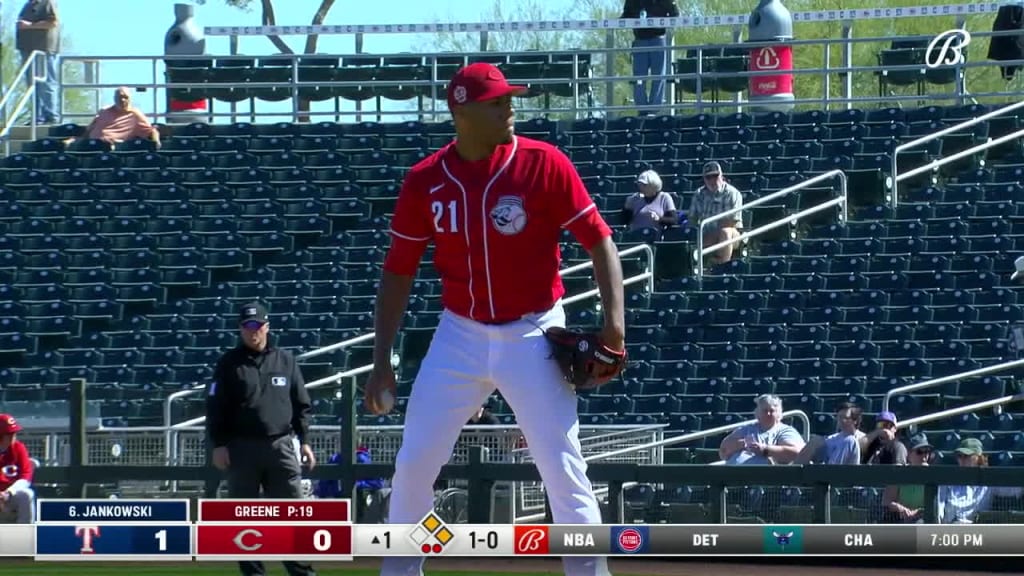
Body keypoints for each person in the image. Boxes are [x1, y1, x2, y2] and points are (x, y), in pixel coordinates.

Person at [364, 62, 625, 576]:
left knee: (562, 466)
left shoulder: (542, 163)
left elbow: (600, 241)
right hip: (459, 332)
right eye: (497, 102)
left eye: (509, 99)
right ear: (460, 111)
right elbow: (398, 272)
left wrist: (613, 326)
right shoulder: (425, 181)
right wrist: (382, 361)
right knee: (415, 462)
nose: (509, 108)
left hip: (532, 330)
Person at [205, 302, 318, 576]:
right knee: (244, 515)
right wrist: (218, 444)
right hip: (241, 448)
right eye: (246, 326)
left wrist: (304, 440)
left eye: (256, 325)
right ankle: (254, 573)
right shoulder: (228, 363)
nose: (251, 331)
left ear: (266, 326)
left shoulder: (285, 360)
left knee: (292, 514)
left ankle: (301, 571)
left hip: (280, 446)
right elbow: (215, 406)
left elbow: (300, 403)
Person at [620, 0, 680, 113]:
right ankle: (642, 110)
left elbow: (675, 14)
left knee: (659, 76)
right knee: (638, 77)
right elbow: (626, 14)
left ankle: (653, 110)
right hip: (639, 40)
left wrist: (662, 22)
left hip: (658, 39)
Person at [719, 394, 805, 465]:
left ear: (779, 413)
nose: (768, 414)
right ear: (757, 412)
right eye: (764, 410)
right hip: (734, 476)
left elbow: (797, 453)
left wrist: (765, 450)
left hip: (766, 478)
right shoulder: (746, 429)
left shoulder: (785, 431)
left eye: (771, 411)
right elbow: (723, 451)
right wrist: (739, 445)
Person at [64, 87, 161, 149]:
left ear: (130, 99)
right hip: (91, 145)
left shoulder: (135, 114)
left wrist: (156, 141)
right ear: (114, 98)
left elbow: (151, 131)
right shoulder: (104, 111)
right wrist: (73, 140)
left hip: (112, 147)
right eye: (119, 97)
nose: (122, 100)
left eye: (125, 97)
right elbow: (87, 132)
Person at [688, 161, 744, 265]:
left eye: (715, 176)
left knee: (725, 232)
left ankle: (723, 266)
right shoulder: (698, 194)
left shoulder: (732, 193)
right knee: (689, 238)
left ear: (721, 176)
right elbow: (692, 220)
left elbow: (731, 222)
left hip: (733, 234)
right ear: (704, 179)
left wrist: (710, 236)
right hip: (705, 233)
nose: (712, 180)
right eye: (708, 177)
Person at [16, 0, 60, 124]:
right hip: (28, 50)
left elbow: (53, 23)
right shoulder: (29, 4)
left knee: (46, 83)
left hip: (42, 50)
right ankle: (37, 115)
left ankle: (51, 115)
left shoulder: (47, 3)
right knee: (32, 84)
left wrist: (29, 26)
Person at [881, 432, 933, 524]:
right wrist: (901, 509)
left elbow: (936, 504)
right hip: (900, 518)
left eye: (927, 451)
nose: (924, 455)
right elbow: (887, 501)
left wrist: (918, 512)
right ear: (909, 453)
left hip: (924, 519)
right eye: (920, 451)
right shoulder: (899, 473)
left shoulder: (933, 475)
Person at [0, 414, 34, 524]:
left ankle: (23, 536)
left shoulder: (18, 448)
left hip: (10, 495)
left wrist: (9, 492)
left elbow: (26, 476)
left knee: (26, 494)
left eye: (14, 433)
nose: (13, 436)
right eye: (9, 434)